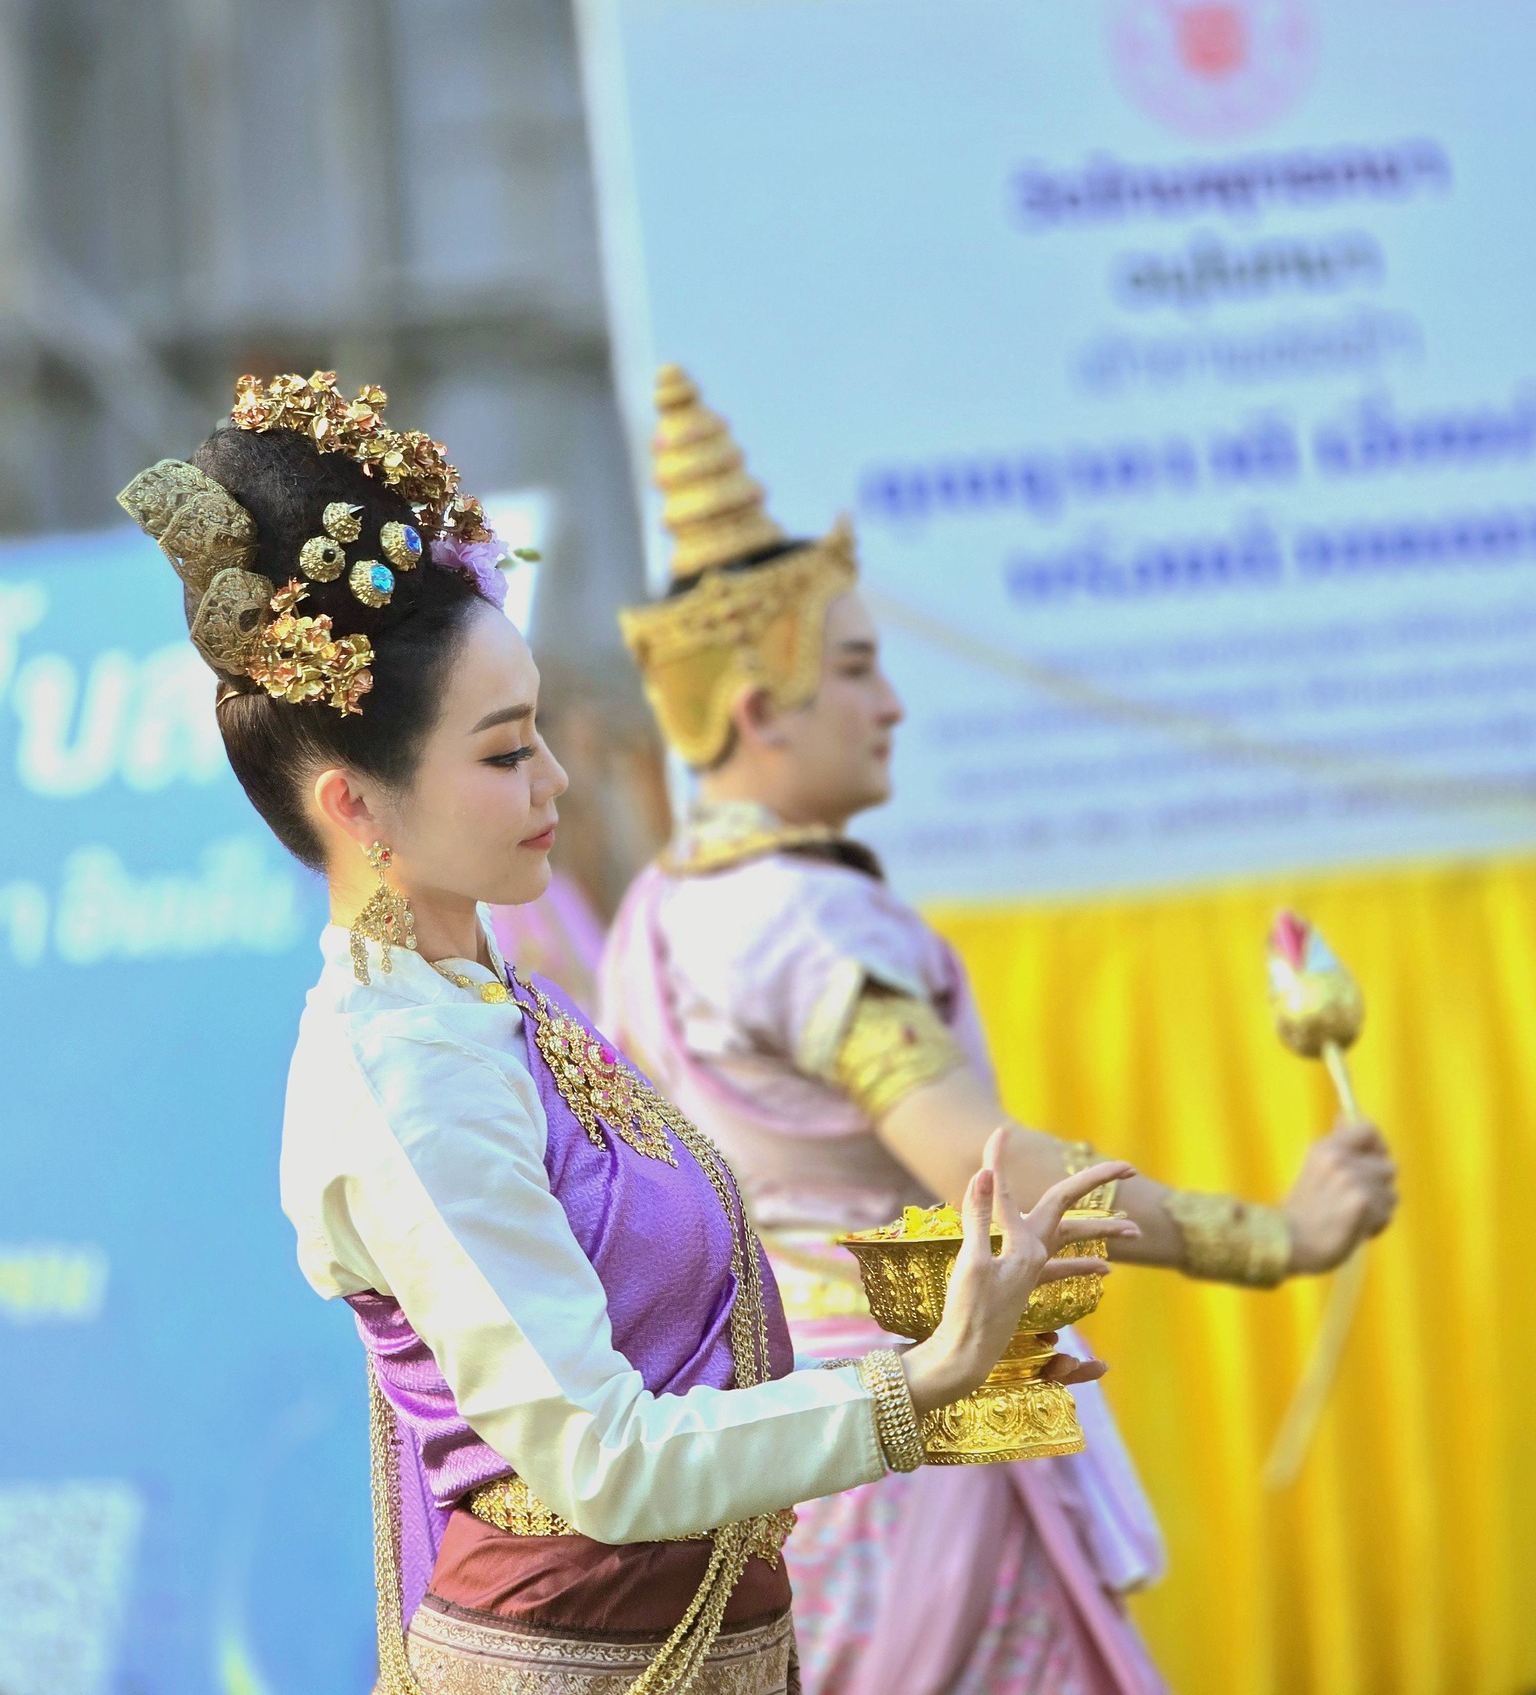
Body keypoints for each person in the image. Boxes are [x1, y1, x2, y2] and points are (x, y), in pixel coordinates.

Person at [117, 369, 1136, 1695]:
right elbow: (599, 1461)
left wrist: (950, 1354)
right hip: (575, 1664)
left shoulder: (499, 1001)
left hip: (707, 1638)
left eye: (539, 734)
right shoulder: (405, 1074)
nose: (556, 781)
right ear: (355, 804)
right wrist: (925, 1385)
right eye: (504, 755)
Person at [602, 366, 1401, 1695]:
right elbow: (995, 1177)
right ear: (757, 708)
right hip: (912, 1452)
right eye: (856, 669)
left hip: (783, 1451)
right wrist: (1277, 1237)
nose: (892, 704)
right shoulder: (806, 921)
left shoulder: (661, 910)